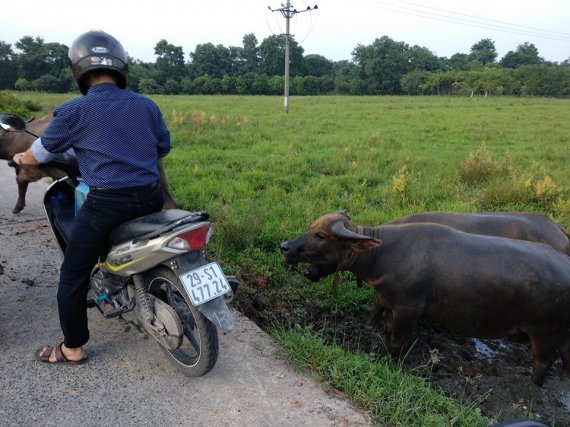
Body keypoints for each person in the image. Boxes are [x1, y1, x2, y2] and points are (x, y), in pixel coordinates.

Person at [12, 30, 171, 365]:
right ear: (120, 66)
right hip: (151, 198)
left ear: (78, 70)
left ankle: (72, 348)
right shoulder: (146, 105)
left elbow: (37, 154)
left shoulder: (72, 111)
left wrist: (20, 159)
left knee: (72, 273)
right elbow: (163, 148)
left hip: (107, 204)